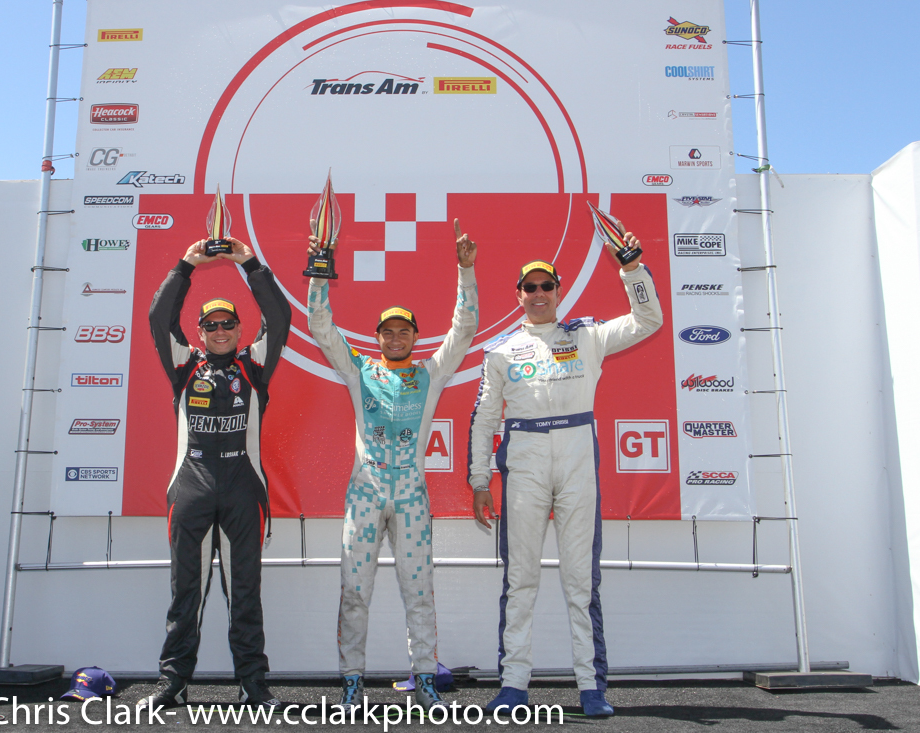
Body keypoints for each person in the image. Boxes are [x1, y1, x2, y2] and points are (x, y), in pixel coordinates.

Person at [467, 226, 663, 718]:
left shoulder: (587, 335)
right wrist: (478, 480)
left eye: (546, 286)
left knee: (581, 580)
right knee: (520, 579)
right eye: (530, 287)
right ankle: (513, 685)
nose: (539, 294)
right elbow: (485, 419)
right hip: (525, 463)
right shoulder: (500, 350)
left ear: (558, 290)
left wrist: (632, 269)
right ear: (518, 294)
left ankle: (591, 687)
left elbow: (649, 319)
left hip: (577, 460)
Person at [306, 220, 478, 712]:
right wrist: (319, 267)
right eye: (388, 331)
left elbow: (464, 329)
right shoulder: (359, 369)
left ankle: (425, 680)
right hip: (365, 492)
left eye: (404, 331)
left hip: (411, 497)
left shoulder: (430, 373)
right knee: (354, 592)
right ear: (378, 337)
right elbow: (320, 325)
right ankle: (351, 683)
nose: (396, 337)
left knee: (419, 592)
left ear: (416, 337)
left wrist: (466, 271)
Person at [136, 237, 291, 710]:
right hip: (192, 488)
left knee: (245, 593)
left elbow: (280, 316)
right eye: (211, 325)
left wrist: (250, 263)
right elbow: (159, 318)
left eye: (228, 323)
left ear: (240, 328)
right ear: (199, 332)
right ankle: (173, 682)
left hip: (244, 490)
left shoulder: (255, 365)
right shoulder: (184, 364)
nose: (220, 331)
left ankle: (253, 684)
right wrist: (185, 265)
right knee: (186, 593)